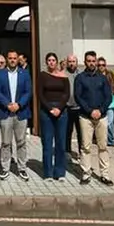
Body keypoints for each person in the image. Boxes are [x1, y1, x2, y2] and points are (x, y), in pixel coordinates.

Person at [74, 50, 114, 186]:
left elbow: (108, 96)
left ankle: (105, 175)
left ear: (96, 62)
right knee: (85, 147)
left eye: (93, 61)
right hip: (85, 117)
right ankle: (86, 174)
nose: (91, 63)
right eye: (89, 61)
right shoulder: (80, 78)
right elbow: (78, 97)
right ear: (85, 62)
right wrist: (90, 111)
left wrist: (100, 110)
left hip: (101, 117)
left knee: (103, 146)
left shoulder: (102, 78)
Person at [0, 50, 32, 181]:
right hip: (6, 112)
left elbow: (28, 92)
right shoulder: (0, 74)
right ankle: (5, 168)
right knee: (5, 142)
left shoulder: (25, 74)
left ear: (18, 60)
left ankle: (22, 168)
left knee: (21, 142)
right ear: (7, 59)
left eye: (14, 58)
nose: (12, 60)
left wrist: (19, 104)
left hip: (21, 112)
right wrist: (7, 104)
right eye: (10, 58)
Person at [37, 52, 70, 181]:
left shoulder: (64, 76)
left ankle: (60, 172)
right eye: (49, 60)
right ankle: (48, 173)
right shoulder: (42, 75)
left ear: (56, 62)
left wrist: (59, 108)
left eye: (53, 60)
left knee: (61, 143)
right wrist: (50, 109)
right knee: (47, 142)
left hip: (61, 111)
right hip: (46, 111)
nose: (51, 62)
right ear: (46, 62)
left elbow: (66, 94)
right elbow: (40, 94)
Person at [98, 57, 114, 147]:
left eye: (103, 65)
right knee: (100, 123)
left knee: (110, 122)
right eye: (99, 65)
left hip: (110, 102)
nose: (101, 67)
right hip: (99, 102)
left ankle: (111, 140)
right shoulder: (95, 75)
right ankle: (102, 140)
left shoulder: (110, 74)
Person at [63, 54, 82, 161]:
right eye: (69, 61)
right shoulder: (63, 74)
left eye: (73, 61)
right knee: (67, 131)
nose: (71, 63)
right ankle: (67, 152)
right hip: (67, 107)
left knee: (81, 132)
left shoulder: (81, 74)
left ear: (77, 62)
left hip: (79, 108)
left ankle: (81, 152)